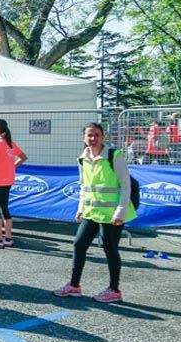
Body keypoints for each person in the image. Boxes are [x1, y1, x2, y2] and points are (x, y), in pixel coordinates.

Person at [53, 123, 136, 303]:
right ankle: (74, 286)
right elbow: (84, 186)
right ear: (84, 138)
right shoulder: (83, 158)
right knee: (79, 244)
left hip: (112, 213)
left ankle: (114, 290)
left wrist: (120, 212)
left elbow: (125, 185)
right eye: (90, 135)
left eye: (97, 135)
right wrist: (81, 208)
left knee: (109, 248)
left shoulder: (115, 156)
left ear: (103, 137)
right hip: (92, 211)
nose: (93, 138)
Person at [0, 118, 27, 248]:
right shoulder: (10, 143)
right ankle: (8, 238)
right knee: (5, 208)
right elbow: (23, 157)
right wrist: (13, 166)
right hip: (7, 180)